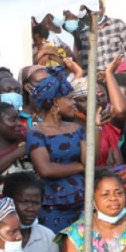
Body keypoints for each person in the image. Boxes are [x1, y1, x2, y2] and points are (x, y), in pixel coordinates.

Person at [26, 67, 86, 233]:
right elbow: (45, 169)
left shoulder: (77, 128)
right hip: (52, 206)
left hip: (82, 202)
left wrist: (95, 126)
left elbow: (90, 161)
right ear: (55, 103)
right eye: (69, 99)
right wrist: (80, 167)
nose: (74, 103)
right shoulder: (36, 133)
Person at [2, 172, 62, 252]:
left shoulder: (47, 236)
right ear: (8, 202)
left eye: (36, 203)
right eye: (24, 202)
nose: (31, 208)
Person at [0, 103, 32, 176]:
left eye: (18, 119)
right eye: (13, 120)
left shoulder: (24, 140)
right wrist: (18, 152)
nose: (19, 123)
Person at [93, 0, 126, 78]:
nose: (96, 12)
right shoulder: (86, 30)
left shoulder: (118, 24)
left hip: (118, 72)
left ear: (103, 9)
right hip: (98, 75)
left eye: (99, 8)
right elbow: (84, 57)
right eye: (93, 10)